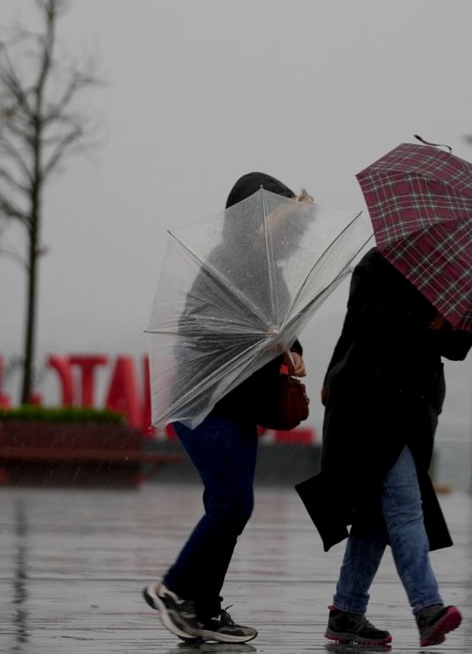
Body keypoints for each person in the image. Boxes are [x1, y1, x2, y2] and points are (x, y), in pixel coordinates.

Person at [144, 172, 309, 645]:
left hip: (241, 404)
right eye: (276, 220)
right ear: (251, 219)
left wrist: (292, 347)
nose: (285, 233)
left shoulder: (270, 272)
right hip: (205, 401)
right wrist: (263, 336)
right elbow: (196, 324)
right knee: (233, 504)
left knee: (227, 506)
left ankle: (204, 609)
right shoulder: (225, 262)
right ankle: (173, 590)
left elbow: (282, 326)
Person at [299, 246, 472, 647]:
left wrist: (452, 320)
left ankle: (346, 611)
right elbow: (369, 321)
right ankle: (428, 607)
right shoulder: (378, 262)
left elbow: (458, 347)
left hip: (415, 409)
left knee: (376, 516)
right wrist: (427, 320)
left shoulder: (452, 273)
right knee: (404, 504)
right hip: (370, 402)